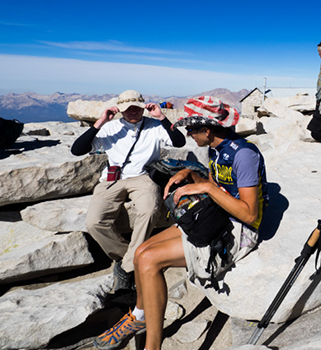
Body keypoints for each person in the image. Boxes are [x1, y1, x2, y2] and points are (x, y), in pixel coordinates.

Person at [92, 96, 267, 350]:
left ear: (207, 130)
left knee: (151, 260)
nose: (189, 134)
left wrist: (205, 185)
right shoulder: (217, 148)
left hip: (238, 231)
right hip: (217, 216)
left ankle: (152, 346)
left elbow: (250, 214)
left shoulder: (245, 155)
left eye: (192, 129)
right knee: (141, 253)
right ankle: (139, 316)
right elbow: (220, 185)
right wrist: (191, 174)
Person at [71, 90, 185, 292]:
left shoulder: (155, 126)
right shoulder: (110, 128)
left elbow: (179, 141)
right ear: (120, 109)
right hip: (112, 179)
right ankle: (130, 257)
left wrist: (161, 116)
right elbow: (77, 149)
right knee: (94, 222)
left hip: (142, 177)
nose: (133, 112)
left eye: (136, 108)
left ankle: (126, 268)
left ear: (143, 108)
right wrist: (100, 121)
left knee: (149, 211)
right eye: (127, 108)